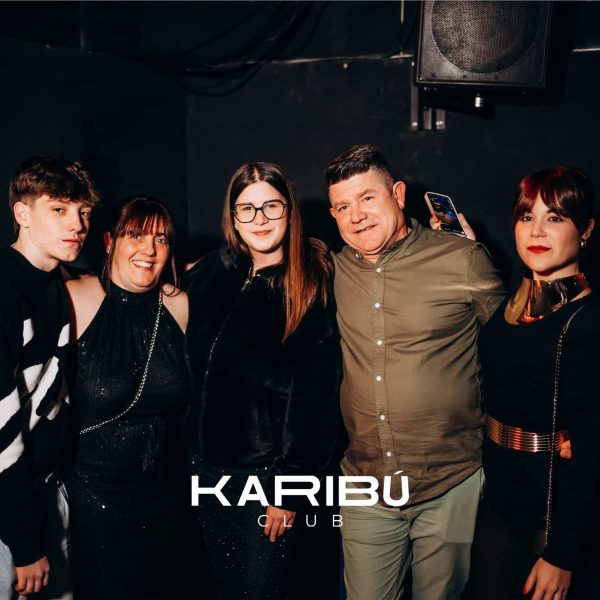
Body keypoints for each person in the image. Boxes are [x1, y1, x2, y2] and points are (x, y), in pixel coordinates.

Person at [324, 144, 505, 599]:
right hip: (365, 483)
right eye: (343, 206)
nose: (356, 216)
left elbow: (515, 348)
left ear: (399, 194)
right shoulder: (330, 269)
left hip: (450, 482)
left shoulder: (461, 259)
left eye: (367, 198)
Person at [184, 161, 341, 599]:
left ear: (289, 211)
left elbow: (316, 407)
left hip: (265, 482)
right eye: (247, 208)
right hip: (203, 471)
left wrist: (289, 492)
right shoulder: (210, 273)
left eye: (271, 206)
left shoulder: (310, 286)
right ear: (233, 217)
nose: (260, 219)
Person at [466, 166, 600, 600]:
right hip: (501, 500)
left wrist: (562, 554)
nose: (536, 231)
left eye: (554, 217)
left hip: (551, 513)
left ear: (586, 230)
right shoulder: (521, 294)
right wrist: (465, 251)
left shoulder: (589, 322)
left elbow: (591, 452)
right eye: (527, 217)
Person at [62, 196, 191, 599]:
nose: (149, 249)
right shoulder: (75, 298)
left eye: (161, 239)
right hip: (95, 499)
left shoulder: (179, 305)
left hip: (165, 500)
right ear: (109, 241)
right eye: (136, 235)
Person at [0, 155, 98, 599]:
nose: (77, 224)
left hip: (43, 489)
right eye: (59, 209)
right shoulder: (5, 290)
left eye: (84, 212)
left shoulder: (54, 280)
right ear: (22, 214)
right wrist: (24, 542)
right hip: (10, 508)